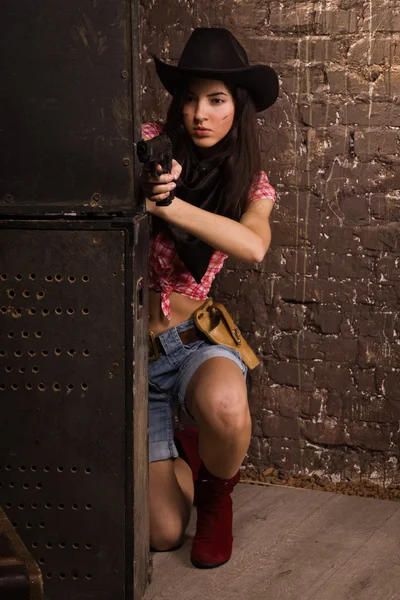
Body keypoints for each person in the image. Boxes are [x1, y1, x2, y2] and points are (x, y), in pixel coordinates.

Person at [140, 27, 279, 569]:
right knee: (162, 534)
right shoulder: (154, 142)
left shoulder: (252, 182)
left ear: (236, 107)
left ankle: (217, 497)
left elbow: (252, 246)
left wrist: (170, 206)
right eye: (191, 97)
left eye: (216, 99)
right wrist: (151, 178)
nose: (201, 112)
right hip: (134, 358)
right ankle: (187, 453)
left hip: (195, 342)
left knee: (225, 407)